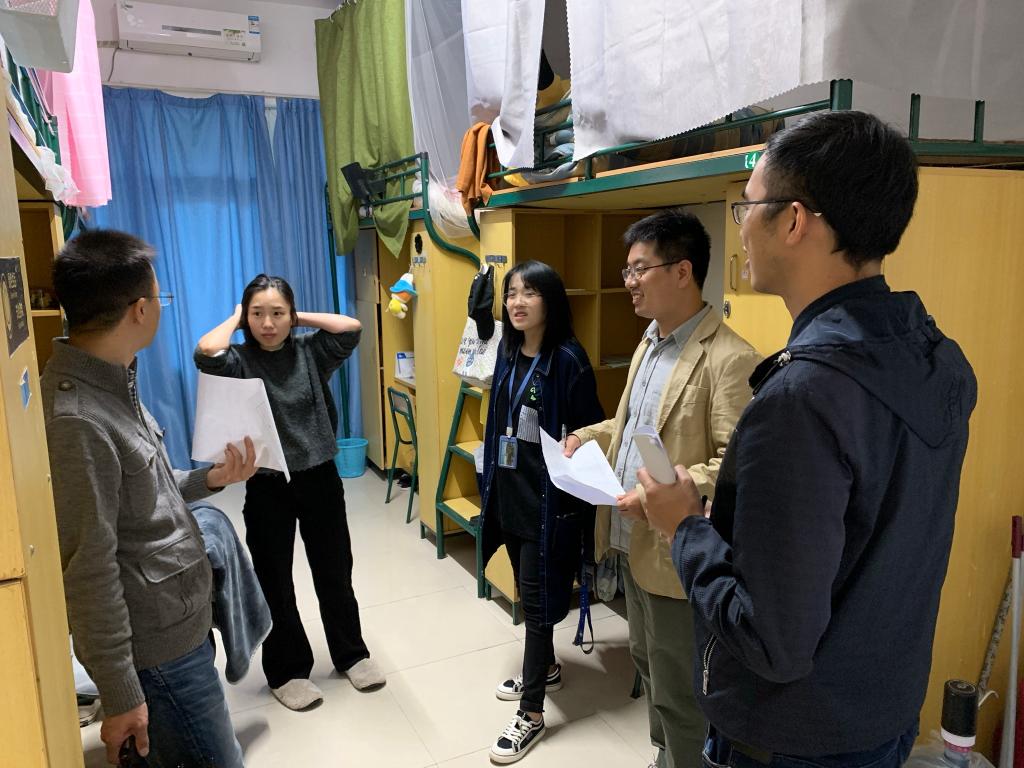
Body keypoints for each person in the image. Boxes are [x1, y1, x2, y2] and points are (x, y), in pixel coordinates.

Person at [640, 111, 978, 767]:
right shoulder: (936, 358)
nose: (741, 225)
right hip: (882, 710)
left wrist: (686, 528)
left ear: (794, 221)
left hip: (789, 738)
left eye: (748, 206)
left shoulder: (802, 399)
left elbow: (773, 642)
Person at [42, 229, 256, 767]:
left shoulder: (113, 382)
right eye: (160, 298)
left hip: (178, 623)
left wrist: (210, 480)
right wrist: (120, 692)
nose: (160, 308)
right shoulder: (77, 419)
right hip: (158, 655)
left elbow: (145, 495)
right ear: (140, 310)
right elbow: (88, 568)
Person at [565, 209, 760, 768]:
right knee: (647, 663)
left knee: (680, 690)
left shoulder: (730, 357)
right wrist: (585, 436)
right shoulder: (650, 342)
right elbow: (631, 425)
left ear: (682, 271)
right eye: (626, 271)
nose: (629, 282)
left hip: (676, 554)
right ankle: (664, 757)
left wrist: (661, 496)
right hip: (632, 543)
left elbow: (733, 466)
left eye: (639, 269)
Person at [195, 274, 384, 711]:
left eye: (278, 313)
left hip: (319, 477)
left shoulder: (310, 352)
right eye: (257, 314)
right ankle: (286, 671)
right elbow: (206, 351)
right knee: (274, 579)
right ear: (246, 318)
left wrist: (299, 320)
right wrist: (236, 317)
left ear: (291, 315)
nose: (268, 323)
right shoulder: (239, 360)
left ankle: (351, 655)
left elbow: (351, 328)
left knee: (334, 570)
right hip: (267, 483)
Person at [479, 261, 605, 763]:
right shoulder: (508, 351)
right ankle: (547, 668)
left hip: (548, 504)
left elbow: (593, 428)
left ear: (550, 301)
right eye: (512, 292)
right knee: (526, 590)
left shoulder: (569, 360)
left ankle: (531, 713)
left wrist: (575, 444)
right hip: (509, 493)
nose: (517, 301)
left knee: (535, 606)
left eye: (529, 292)